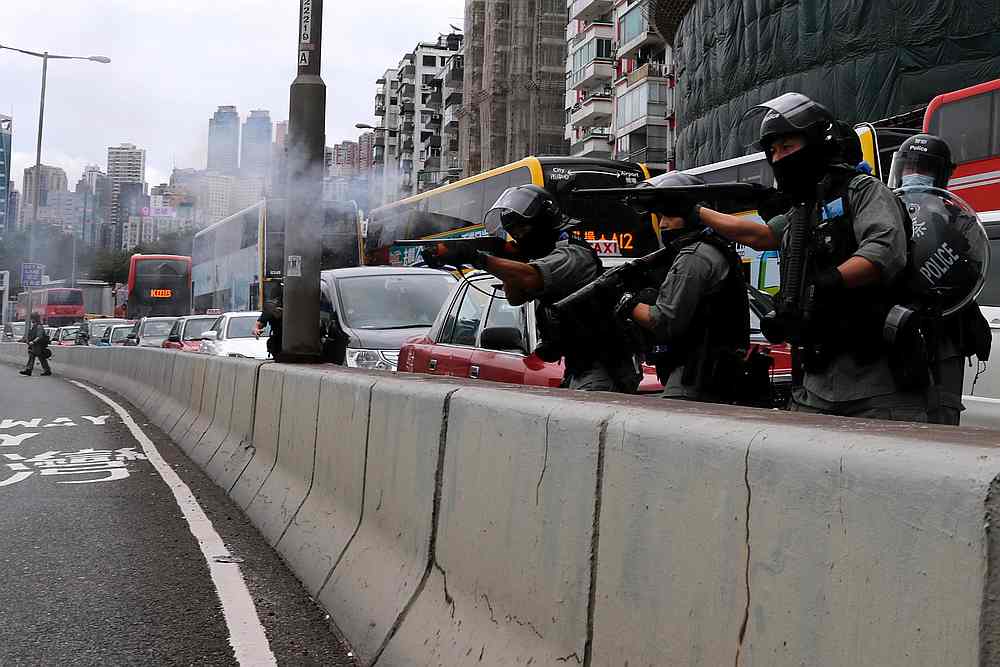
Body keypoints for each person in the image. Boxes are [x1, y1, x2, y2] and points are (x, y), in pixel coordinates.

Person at [676, 92, 927, 421]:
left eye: (787, 147)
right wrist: (694, 211)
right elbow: (759, 236)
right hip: (816, 382)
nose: (778, 157)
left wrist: (829, 281)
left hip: (877, 382)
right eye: (773, 151)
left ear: (817, 143)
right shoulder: (804, 209)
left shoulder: (862, 191)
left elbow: (883, 250)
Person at [437, 184, 641, 392]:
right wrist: (508, 258)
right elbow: (515, 297)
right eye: (514, 233)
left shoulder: (574, 254)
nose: (519, 237)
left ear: (544, 222)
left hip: (602, 367)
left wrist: (478, 259)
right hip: (578, 366)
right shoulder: (542, 255)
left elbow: (531, 277)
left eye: (523, 229)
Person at [614, 171, 753, 402]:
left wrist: (624, 301)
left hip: (695, 376)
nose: (663, 224)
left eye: (670, 216)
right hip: (709, 374)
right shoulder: (714, 247)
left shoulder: (694, 255)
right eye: (660, 216)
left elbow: (662, 320)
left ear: (691, 216)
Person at [887, 133, 992, 424]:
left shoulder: (958, 219)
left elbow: (972, 271)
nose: (914, 174)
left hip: (943, 333)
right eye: (910, 166)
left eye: (923, 168)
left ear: (940, 175)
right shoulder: (886, 212)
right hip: (895, 329)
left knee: (941, 415)